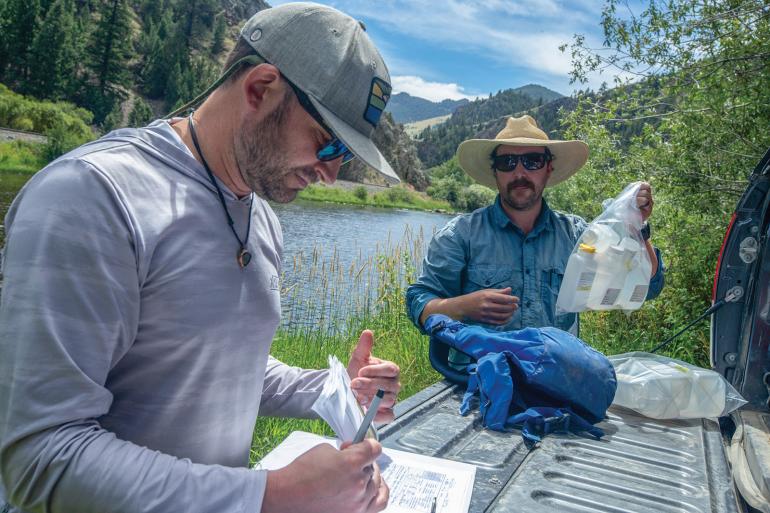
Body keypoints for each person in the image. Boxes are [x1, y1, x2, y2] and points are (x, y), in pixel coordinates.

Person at [0, 4, 402, 513]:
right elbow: (39, 459)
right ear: (260, 89)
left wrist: (333, 389)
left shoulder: (263, 218)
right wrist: (272, 495)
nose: (330, 174)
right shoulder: (90, 197)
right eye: (327, 146)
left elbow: (222, 366)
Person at [406, 115, 665, 369]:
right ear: (495, 171)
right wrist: (463, 306)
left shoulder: (578, 236)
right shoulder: (460, 235)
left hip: (558, 379)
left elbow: (647, 286)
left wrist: (636, 225)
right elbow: (418, 303)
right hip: (476, 382)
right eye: (507, 162)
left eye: (532, 161)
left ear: (548, 169)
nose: (519, 172)